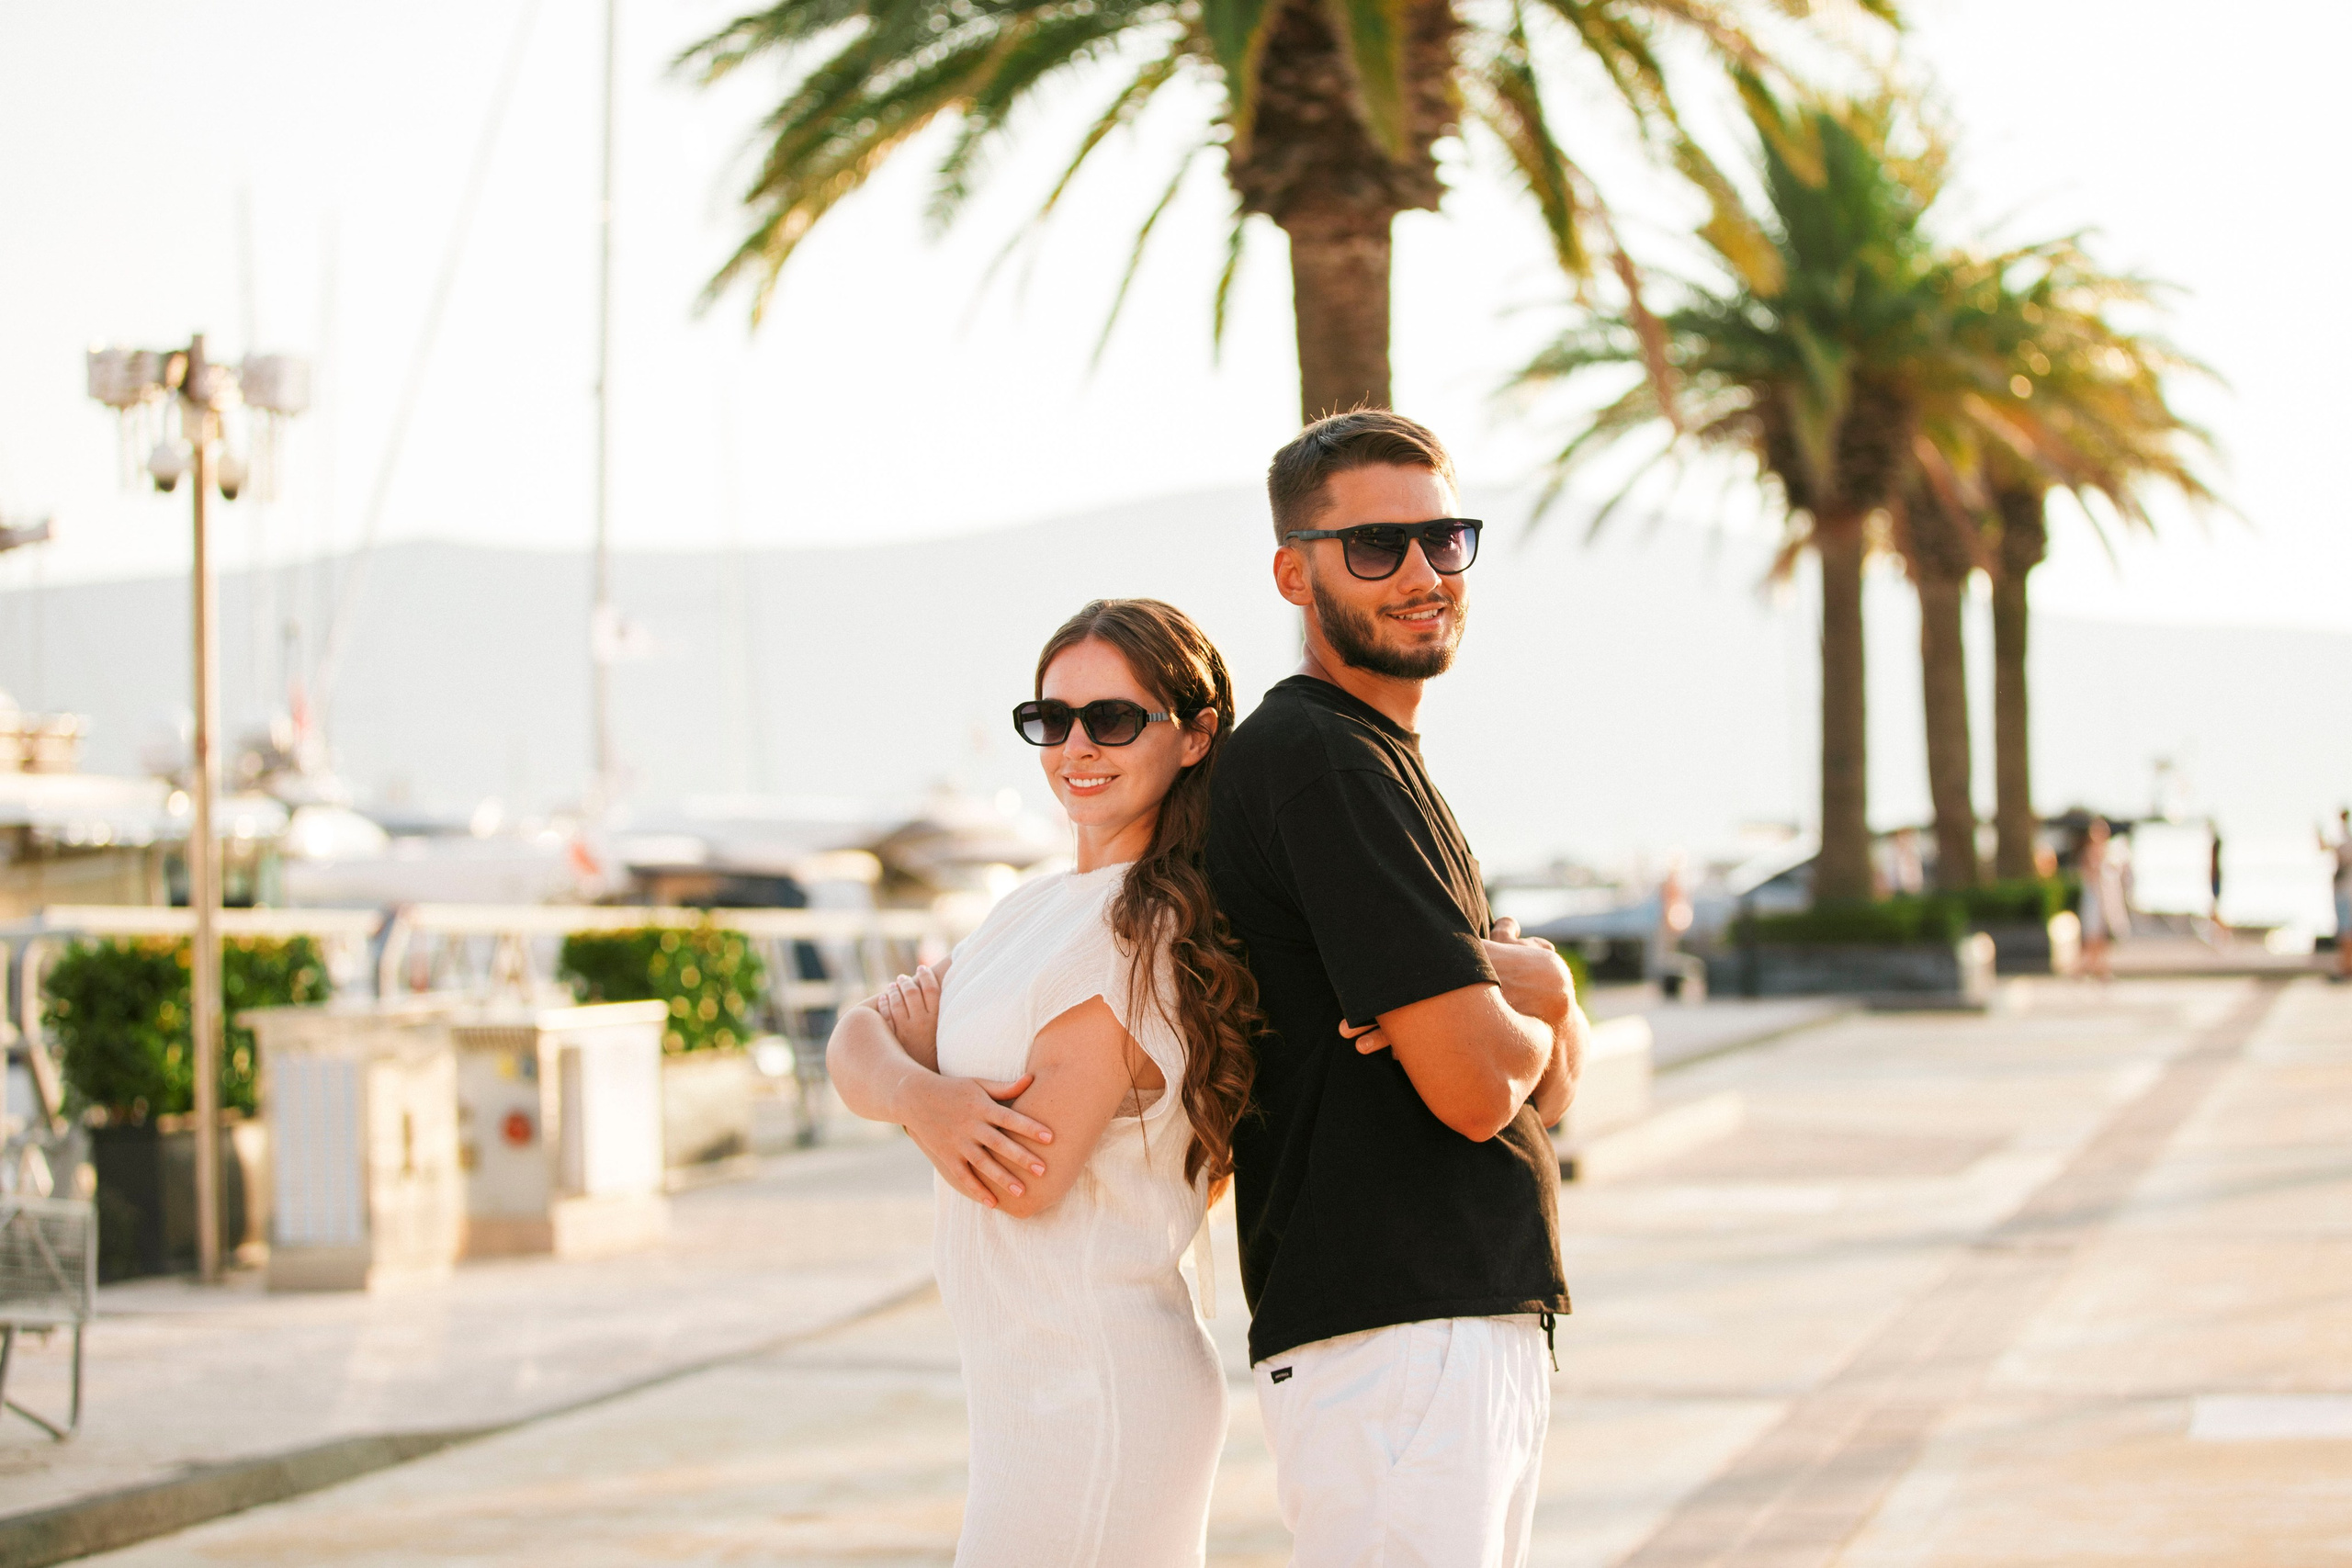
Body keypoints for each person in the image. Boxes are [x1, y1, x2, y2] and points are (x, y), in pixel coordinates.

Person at [1205, 411, 1587, 1568]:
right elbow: (1479, 1092)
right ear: (1294, 571)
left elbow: (1547, 1089)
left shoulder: (1382, 760)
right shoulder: (1319, 760)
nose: (1422, 574)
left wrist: (1542, 996)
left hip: (1442, 1334)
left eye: (1445, 540)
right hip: (1397, 1340)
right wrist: (1520, 1005)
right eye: (1376, 547)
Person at [824, 600, 1259, 1567]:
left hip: (1097, 1390)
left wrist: (909, 1083)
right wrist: (916, 1097)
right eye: (1050, 720)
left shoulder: (1137, 933)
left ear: (1193, 737)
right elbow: (855, 1038)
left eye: (1111, 719)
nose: (1075, 746)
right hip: (1029, 1387)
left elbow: (1025, 1178)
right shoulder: (1027, 913)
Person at [2077, 816, 2131, 981]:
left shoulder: (2113, 852)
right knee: (2092, 934)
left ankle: (2101, 966)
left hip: (2107, 899)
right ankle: (2088, 965)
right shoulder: (2088, 855)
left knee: (2104, 934)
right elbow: (2088, 876)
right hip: (2093, 898)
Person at [2322, 808, 2352, 981]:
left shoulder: (2345, 839)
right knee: (2345, 930)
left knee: (2346, 931)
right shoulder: (2344, 837)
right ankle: (2346, 965)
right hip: (2344, 891)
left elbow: (2327, 848)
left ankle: (2346, 967)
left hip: (2345, 892)